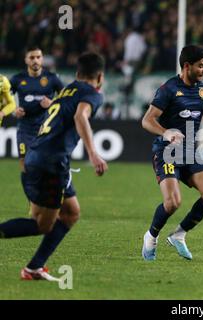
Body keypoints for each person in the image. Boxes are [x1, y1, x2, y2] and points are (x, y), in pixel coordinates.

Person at [0, 52, 108, 280]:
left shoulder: (68, 89)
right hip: (51, 163)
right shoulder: (93, 94)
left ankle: (34, 268)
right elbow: (81, 117)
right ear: (100, 77)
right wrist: (93, 153)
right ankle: (32, 268)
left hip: (36, 156)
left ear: (78, 73)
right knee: (43, 225)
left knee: (71, 213)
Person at [141, 45, 203, 261]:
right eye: (201, 66)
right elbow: (147, 120)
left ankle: (179, 234)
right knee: (173, 202)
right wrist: (166, 132)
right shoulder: (168, 89)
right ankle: (151, 236)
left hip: (189, 152)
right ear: (187, 66)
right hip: (166, 151)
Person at [9, 47, 64, 171]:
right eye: (32, 57)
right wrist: (14, 110)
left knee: (47, 164)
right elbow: (5, 97)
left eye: (38, 57)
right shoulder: (17, 79)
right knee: (24, 163)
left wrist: (52, 103)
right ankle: (30, 189)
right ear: (26, 60)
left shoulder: (52, 78)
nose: (35, 60)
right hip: (25, 128)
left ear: (42, 59)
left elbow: (66, 100)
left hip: (46, 128)